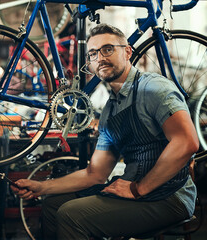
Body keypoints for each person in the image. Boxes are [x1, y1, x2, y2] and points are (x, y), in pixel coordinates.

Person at [11, 24, 199, 239]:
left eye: (108, 49)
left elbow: (186, 142)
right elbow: (96, 174)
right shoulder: (110, 110)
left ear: (127, 51)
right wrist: (40, 187)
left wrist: (138, 188)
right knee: (53, 205)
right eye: (93, 53)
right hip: (136, 189)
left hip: (170, 196)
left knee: (71, 215)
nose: (99, 58)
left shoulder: (153, 89)